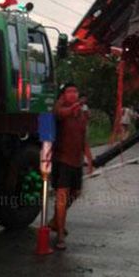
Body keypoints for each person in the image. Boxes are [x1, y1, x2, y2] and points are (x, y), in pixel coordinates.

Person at [50, 83, 93, 250]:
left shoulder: (82, 115)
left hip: (76, 161)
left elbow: (84, 138)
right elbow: (60, 114)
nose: (73, 94)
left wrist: (90, 159)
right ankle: (60, 234)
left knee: (75, 194)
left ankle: (55, 220)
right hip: (62, 160)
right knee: (62, 196)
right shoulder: (60, 107)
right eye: (69, 91)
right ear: (63, 95)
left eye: (75, 91)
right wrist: (75, 105)